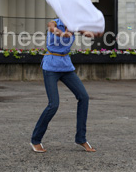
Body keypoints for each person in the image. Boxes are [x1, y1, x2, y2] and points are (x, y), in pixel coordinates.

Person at [30, 18, 103, 153]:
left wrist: (96, 32)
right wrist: (62, 34)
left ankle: (81, 138)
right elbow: (53, 30)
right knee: (53, 104)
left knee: (83, 97)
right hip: (51, 66)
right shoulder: (53, 23)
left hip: (66, 66)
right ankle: (35, 140)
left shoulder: (74, 24)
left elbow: (87, 33)